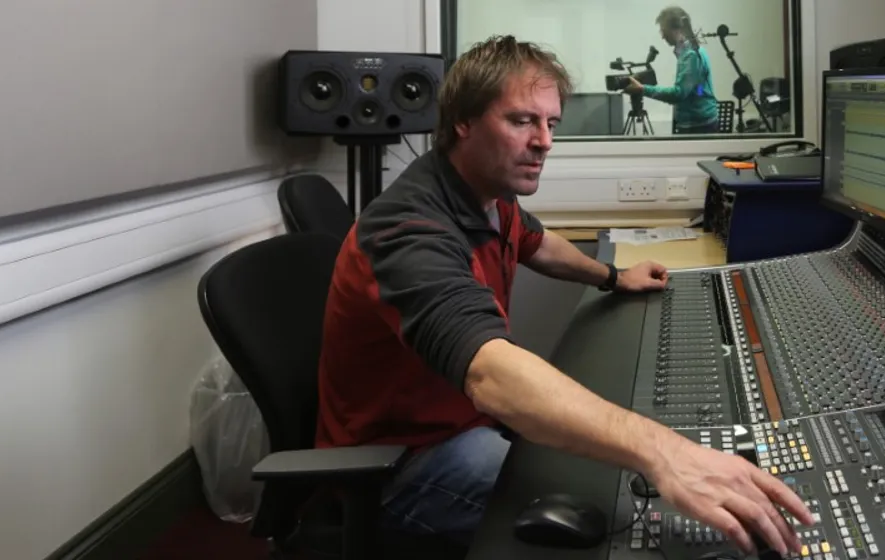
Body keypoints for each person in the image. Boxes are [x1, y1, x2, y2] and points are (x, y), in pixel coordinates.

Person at [314, 35, 813, 556]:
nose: (544, 141)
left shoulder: (486, 195)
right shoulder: (408, 231)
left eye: (551, 123)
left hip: (469, 426)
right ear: (463, 121)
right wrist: (664, 453)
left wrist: (612, 277)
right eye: (522, 121)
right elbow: (489, 374)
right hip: (406, 465)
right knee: (615, 514)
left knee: (608, 470)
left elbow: (538, 243)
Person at [625, 6, 720, 134]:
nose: (662, 36)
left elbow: (678, 94)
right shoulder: (698, 51)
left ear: (677, 29)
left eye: (664, 30)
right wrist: (697, 95)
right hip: (702, 122)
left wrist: (642, 89)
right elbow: (699, 88)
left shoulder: (690, 55)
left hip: (697, 127)